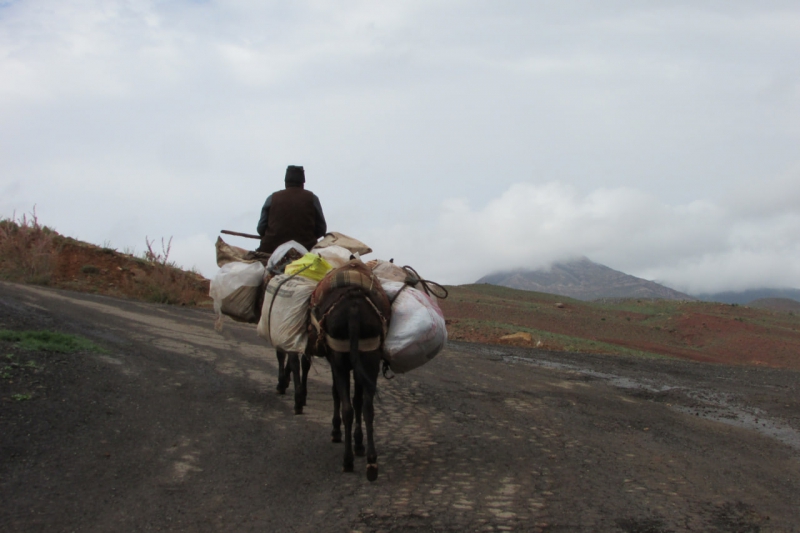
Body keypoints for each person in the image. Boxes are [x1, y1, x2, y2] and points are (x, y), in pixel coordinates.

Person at [256, 165, 327, 254]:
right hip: (306, 250)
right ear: (302, 183)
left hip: (270, 250)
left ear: (286, 182)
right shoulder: (312, 198)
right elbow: (321, 230)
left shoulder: (272, 198)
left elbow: (260, 229)